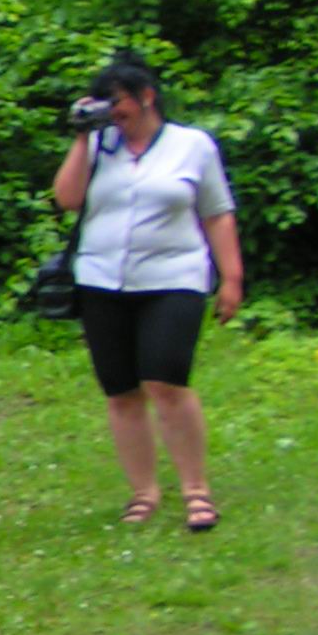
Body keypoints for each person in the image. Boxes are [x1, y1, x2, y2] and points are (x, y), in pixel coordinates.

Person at [52, 53, 242, 532]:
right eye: (103, 104)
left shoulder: (192, 146)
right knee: (121, 391)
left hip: (173, 278)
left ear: (146, 97)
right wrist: (82, 136)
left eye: (117, 102)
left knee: (166, 381)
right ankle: (143, 492)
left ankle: (196, 490)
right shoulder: (100, 146)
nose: (112, 113)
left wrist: (231, 277)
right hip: (102, 279)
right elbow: (67, 199)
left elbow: (217, 213)